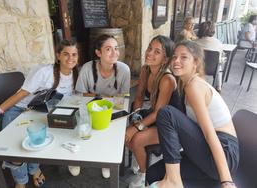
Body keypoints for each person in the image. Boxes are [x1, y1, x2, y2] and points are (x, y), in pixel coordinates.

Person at [147, 40, 239, 188]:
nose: (176, 61)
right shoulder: (185, 84)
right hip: (207, 153)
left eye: (184, 57)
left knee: (167, 113)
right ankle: (173, 179)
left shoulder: (194, 86)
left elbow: (210, 134)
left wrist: (226, 180)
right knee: (153, 173)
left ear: (195, 62)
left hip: (224, 153)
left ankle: (173, 180)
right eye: (175, 56)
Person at [0, 39, 79, 188]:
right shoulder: (44, 72)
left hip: (39, 112)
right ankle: (21, 180)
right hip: (18, 110)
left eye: (74, 54)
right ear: (58, 55)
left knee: (37, 139)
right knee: (15, 146)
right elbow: (20, 95)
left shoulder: (75, 74)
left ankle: (33, 169)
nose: (71, 58)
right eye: (66, 54)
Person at [125, 35, 183, 188]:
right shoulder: (146, 70)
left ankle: (144, 177)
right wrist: (135, 118)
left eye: (157, 52)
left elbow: (158, 112)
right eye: (150, 48)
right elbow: (138, 97)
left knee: (136, 139)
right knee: (126, 134)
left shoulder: (167, 79)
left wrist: (138, 127)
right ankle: (140, 160)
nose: (150, 53)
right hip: (156, 117)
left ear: (165, 59)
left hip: (170, 125)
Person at [71, 34, 131, 178]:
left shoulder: (124, 70)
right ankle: (76, 158)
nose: (114, 52)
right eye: (108, 49)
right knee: (81, 126)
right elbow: (80, 94)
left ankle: (106, 160)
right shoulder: (87, 68)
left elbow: (124, 98)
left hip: (113, 110)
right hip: (89, 108)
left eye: (116, 48)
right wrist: (105, 98)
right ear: (98, 53)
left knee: (109, 130)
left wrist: (95, 95)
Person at [195, 21, 225, 92]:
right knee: (219, 64)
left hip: (197, 68)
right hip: (212, 69)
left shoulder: (195, 43)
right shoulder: (218, 43)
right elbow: (220, 58)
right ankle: (218, 86)